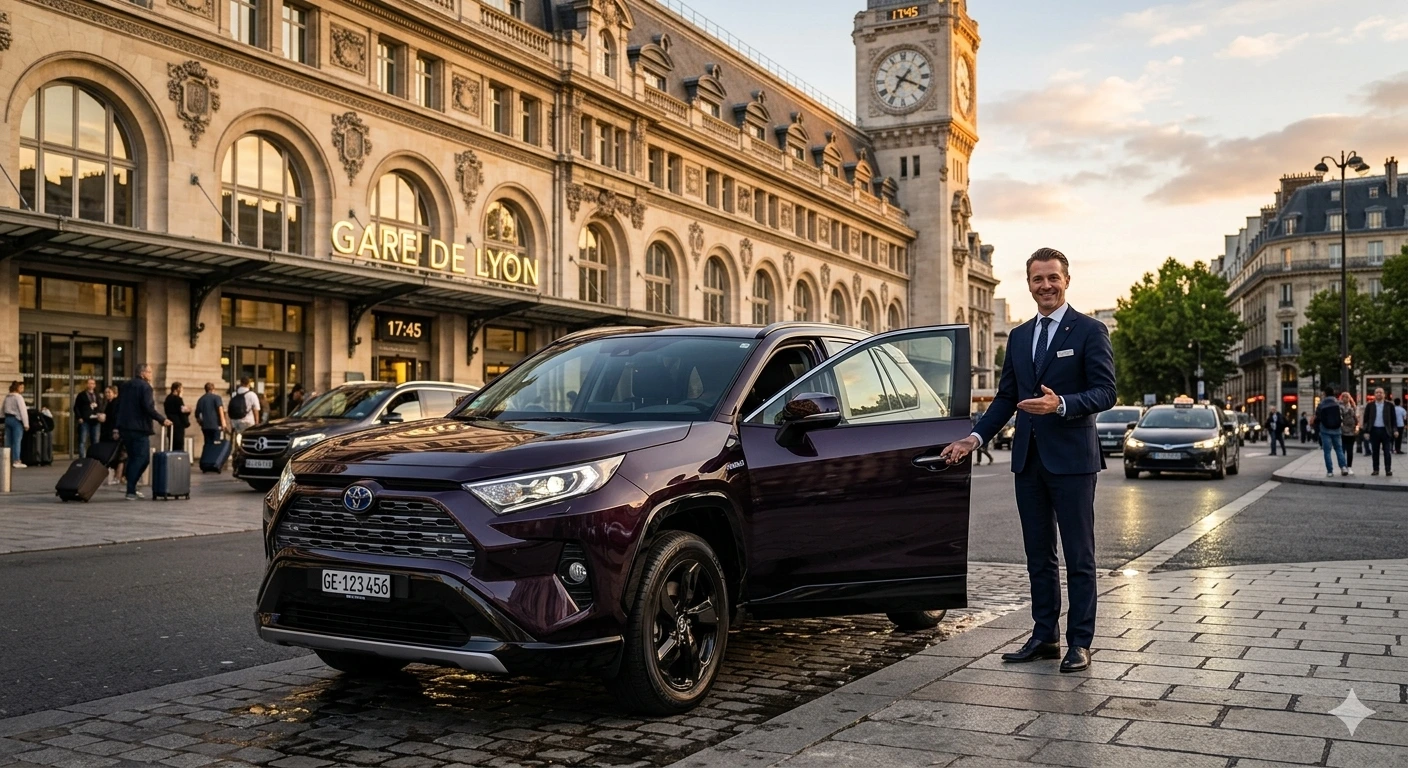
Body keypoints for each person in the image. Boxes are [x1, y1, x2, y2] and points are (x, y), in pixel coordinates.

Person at [941, 248, 1115, 674]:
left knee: (1079, 556)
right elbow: (1006, 398)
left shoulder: (1090, 330)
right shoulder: (1019, 337)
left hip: (1073, 461)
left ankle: (1080, 642)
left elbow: (1106, 392)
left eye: (1053, 278)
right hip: (1028, 462)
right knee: (1038, 555)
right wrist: (975, 436)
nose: (1046, 286)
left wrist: (1062, 405)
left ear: (1067, 280)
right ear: (1029, 284)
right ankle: (1043, 636)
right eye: (1038, 279)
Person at [115, 363, 172, 501]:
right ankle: (130, 489)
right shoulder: (145, 387)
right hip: (139, 428)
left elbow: (119, 405)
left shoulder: (125, 386)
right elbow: (148, 407)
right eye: (149, 372)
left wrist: (117, 426)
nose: (151, 375)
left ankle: (131, 486)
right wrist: (161, 419)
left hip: (125, 427)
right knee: (143, 458)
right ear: (143, 373)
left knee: (133, 457)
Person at [1311, 387, 1350, 477]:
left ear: (1325, 394)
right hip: (1337, 429)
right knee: (1339, 449)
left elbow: (1318, 417)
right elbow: (1343, 415)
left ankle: (1330, 471)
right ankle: (1343, 467)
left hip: (1325, 429)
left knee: (1327, 451)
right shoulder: (1338, 403)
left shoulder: (1321, 404)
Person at [1364, 387, 1395, 477]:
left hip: (1386, 431)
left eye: (1380, 392)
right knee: (1375, 451)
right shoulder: (1370, 405)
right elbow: (1366, 419)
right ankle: (1376, 469)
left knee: (1387, 451)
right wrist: (1366, 431)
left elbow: (1393, 419)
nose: (1378, 394)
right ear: (1374, 394)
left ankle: (1388, 469)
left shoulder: (1389, 405)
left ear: (1384, 394)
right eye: (1377, 392)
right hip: (1374, 430)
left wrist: (1395, 430)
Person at [195, 383, 228, 456]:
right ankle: (214, 459)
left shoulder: (201, 399)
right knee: (216, 443)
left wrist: (201, 423)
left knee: (207, 443)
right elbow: (220, 410)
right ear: (213, 389)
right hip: (215, 425)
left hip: (205, 426)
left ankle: (207, 458)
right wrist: (223, 423)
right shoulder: (217, 398)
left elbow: (197, 415)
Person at [73, 378, 104, 456]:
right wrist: (79, 417)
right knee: (83, 440)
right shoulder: (81, 395)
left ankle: (94, 457)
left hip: (96, 420)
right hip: (85, 420)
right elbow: (76, 407)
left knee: (95, 441)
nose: (91, 385)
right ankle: (82, 458)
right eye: (89, 383)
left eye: (93, 383)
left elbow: (101, 406)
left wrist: (98, 410)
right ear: (86, 384)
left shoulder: (97, 395)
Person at [101, 385, 125, 485]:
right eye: (106, 392)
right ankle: (118, 476)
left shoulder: (116, 403)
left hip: (114, 430)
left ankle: (119, 476)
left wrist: (116, 430)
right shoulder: (109, 403)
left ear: (115, 393)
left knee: (118, 454)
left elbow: (116, 417)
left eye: (109, 392)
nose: (107, 394)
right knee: (115, 454)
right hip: (109, 430)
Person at [3, 381, 28, 469]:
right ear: (17, 388)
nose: (22, 389)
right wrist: (26, 424)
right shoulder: (18, 397)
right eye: (21, 388)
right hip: (16, 420)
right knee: (17, 441)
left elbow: (3, 408)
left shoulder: (7, 397)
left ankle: (6, 460)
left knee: (8, 441)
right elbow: (23, 411)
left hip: (7, 419)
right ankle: (16, 460)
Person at [163, 382, 192, 453]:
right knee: (179, 445)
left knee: (171, 444)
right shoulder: (178, 399)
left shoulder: (168, 399)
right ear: (177, 389)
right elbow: (182, 411)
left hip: (171, 424)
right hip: (178, 425)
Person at [1339, 392, 1359, 470]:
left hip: (1351, 431)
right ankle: (1343, 466)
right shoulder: (1339, 407)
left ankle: (1349, 466)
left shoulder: (1353, 407)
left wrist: (1357, 428)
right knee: (1342, 450)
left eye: (1347, 397)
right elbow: (1339, 418)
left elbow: (1356, 419)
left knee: (1350, 450)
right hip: (1342, 431)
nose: (1345, 399)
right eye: (1344, 397)